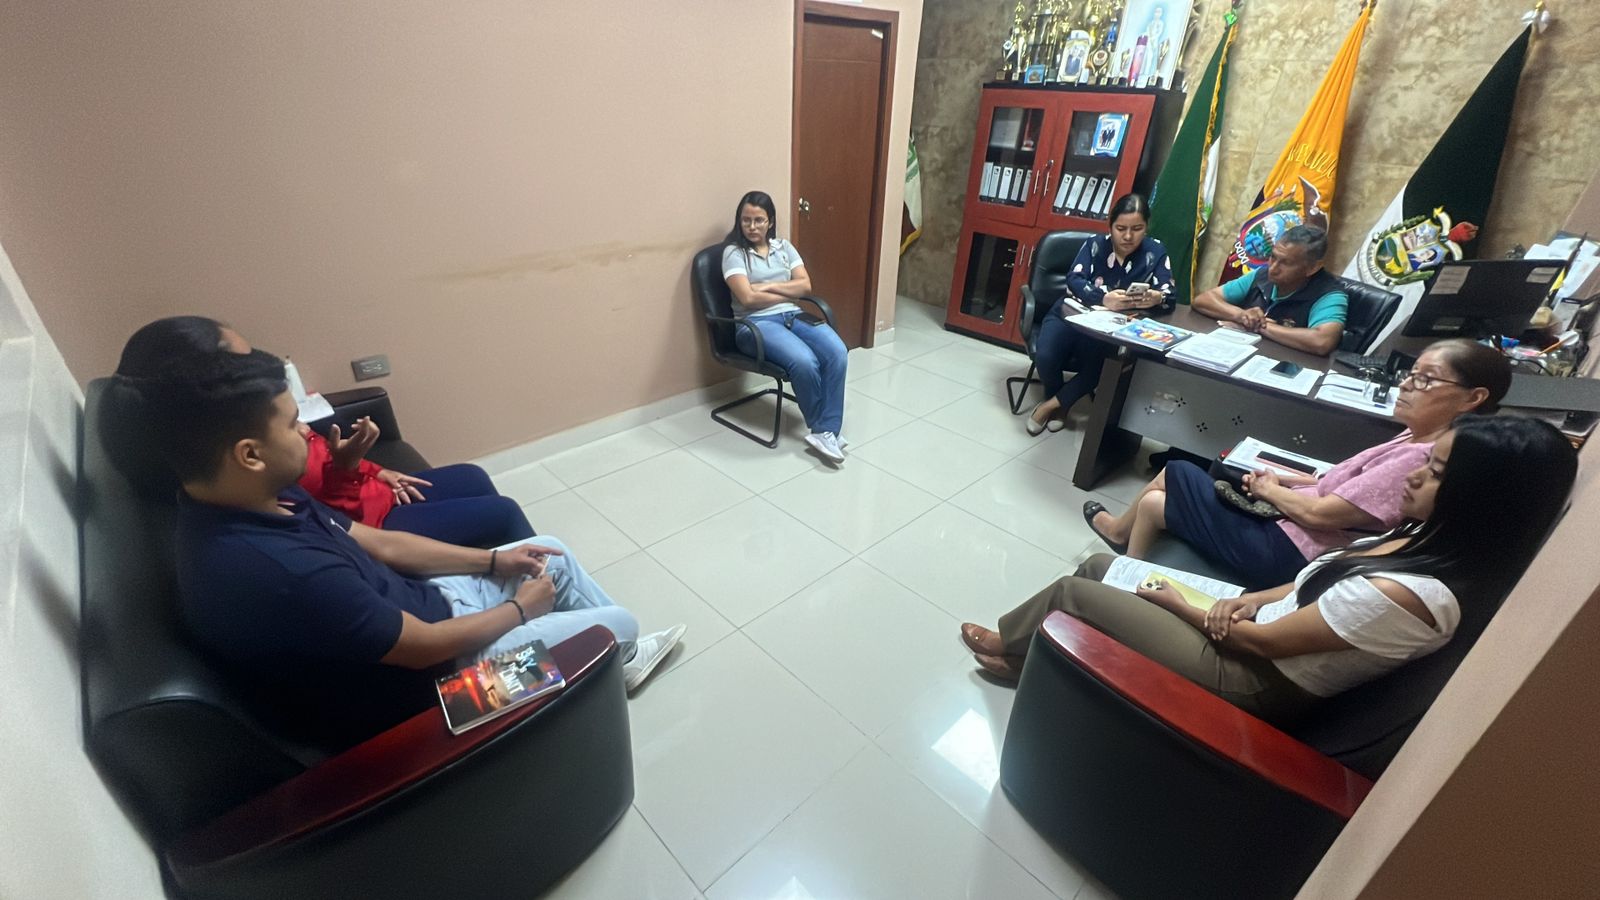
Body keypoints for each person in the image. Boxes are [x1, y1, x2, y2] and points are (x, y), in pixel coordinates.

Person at [137, 349, 684, 746]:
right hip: (449, 689)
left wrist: (495, 560)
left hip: (433, 607)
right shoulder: (273, 569)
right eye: (293, 424)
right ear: (249, 454)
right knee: (619, 624)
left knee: (546, 550)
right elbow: (422, 649)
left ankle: (615, 664)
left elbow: (382, 543)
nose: (307, 434)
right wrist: (521, 610)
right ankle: (607, 653)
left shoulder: (262, 496)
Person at [961, 415, 1577, 724]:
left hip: (1249, 677)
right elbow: (1317, 576)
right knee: (1102, 563)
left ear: (1478, 496)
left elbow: (1257, 648)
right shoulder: (1418, 539)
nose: (1415, 475)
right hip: (1259, 625)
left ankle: (1013, 646)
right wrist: (1252, 598)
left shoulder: (1412, 595)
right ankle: (1027, 653)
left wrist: (1179, 600)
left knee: (1077, 589)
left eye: (1436, 471)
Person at [1083, 339, 1511, 589]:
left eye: (1425, 380)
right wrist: (1285, 479)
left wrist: (1271, 490)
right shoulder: (1417, 434)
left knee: (1178, 470)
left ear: (1473, 398)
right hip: (1292, 529)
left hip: (1289, 550)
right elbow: (1331, 483)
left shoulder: (1419, 458)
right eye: (1410, 374)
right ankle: (1125, 565)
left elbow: (1321, 513)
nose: (1406, 386)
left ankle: (1120, 541)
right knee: (1159, 502)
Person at [111, 316, 534, 548]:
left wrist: (371, 469)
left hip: (363, 495)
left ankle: (509, 570)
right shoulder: (256, 473)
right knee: (503, 514)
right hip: (365, 518)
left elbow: (323, 463)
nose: (259, 363)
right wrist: (350, 471)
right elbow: (336, 520)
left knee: (473, 477)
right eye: (245, 360)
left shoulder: (256, 437)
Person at [1028, 193, 1175, 434]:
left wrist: (1158, 297)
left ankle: (1050, 407)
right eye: (1121, 228)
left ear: (1146, 226)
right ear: (1110, 224)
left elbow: (1170, 295)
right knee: (1045, 355)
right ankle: (1058, 400)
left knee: (1105, 366)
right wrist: (1102, 298)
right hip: (1071, 313)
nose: (1128, 236)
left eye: (1137, 229)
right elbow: (1074, 280)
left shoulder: (1155, 251)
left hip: (1112, 328)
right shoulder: (1095, 244)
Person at [721, 190, 850, 464]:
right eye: (746, 220)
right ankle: (823, 429)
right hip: (754, 324)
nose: (752, 226)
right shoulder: (733, 253)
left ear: (770, 221)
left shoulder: (784, 248)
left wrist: (765, 286)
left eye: (758, 220)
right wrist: (786, 291)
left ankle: (826, 429)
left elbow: (805, 286)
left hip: (793, 314)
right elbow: (747, 299)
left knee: (837, 351)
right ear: (739, 221)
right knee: (805, 361)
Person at [1191, 225, 1348, 356]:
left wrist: (1258, 325)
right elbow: (1203, 300)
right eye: (1273, 257)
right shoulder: (1262, 275)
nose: (1273, 268)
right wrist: (1242, 315)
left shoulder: (1329, 293)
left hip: (1289, 369)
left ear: (1312, 268)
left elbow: (1322, 341)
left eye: (1286, 263)